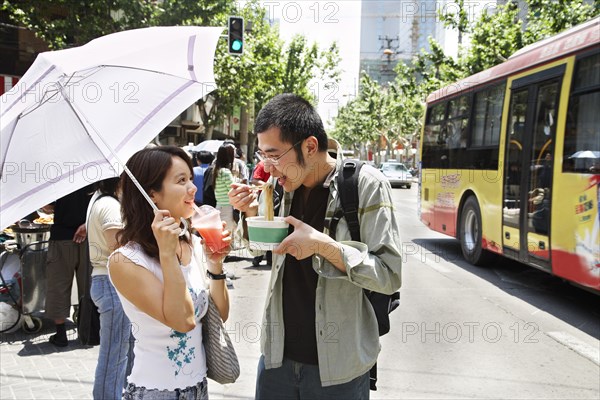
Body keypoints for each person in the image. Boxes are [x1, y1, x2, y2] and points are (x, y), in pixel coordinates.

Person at [228, 94, 402, 399]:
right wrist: (251, 214)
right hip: (276, 360)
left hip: (339, 370)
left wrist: (324, 245)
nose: (268, 168)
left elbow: (388, 275)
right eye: (262, 156)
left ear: (309, 146)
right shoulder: (282, 188)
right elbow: (256, 250)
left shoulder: (365, 185)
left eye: (274, 155)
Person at [108, 145, 231, 399]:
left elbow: (220, 314)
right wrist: (167, 254)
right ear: (153, 194)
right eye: (181, 180)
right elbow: (183, 320)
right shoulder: (126, 261)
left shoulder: (193, 243)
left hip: (198, 388)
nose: (193, 187)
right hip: (156, 392)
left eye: (190, 178)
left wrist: (216, 265)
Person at [86, 177, 132, 399]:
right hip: (111, 282)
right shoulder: (110, 205)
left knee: (119, 352)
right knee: (114, 355)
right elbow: (119, 249)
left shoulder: (101, 200)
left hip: (107, 282)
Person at [44, 185, 93, 347]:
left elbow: (48, 206)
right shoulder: (96, 173)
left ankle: (60, 334)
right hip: (88, 237)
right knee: (88, 286)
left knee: (58, 285)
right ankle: (88, 332)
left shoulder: (57, 173)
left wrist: (49, 207)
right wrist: (87, 224)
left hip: (61, 237)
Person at [250, 160, 272, 267]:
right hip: (264, 201)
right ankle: (258, 257)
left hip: (274, 200)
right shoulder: (262, 164)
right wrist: (269, 187)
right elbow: (254, 180)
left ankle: (269, 259)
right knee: (264, 228)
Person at [213, 144, 237, 238]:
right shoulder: (226, 172)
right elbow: (233, 189)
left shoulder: (216, 170)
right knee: (227, 232)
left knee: (221, 232)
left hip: (219, 205)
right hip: (227, 206)